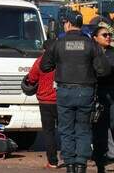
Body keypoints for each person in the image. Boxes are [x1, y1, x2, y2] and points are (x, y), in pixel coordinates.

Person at [40, 9, 111, 173]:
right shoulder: (91, 45)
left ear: (68, 24)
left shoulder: (58, 44)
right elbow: (104, 70)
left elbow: (45, 66)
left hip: (64, 92)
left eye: (64, 23)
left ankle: (70, 166)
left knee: (66, 130)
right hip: (86, 92)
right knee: (83, 129)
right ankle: (81, 166)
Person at [27, 39, 58, 169]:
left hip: (45, 101)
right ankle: (72, 160)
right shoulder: (63, 60)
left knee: (49, 132)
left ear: (44, 50)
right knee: (68, 131)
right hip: (62, 100)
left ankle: (52, 162)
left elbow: (32, 78)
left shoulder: (40, 61)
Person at [91, 21, 114, 173]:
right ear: (95, 38)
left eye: (109, 35)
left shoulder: (112, 53)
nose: (108, 37)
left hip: (111, 95)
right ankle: (100, 159)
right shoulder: (91, 52)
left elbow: (106, 71)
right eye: (104, 35)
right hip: (95, 95)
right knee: (98, 129)